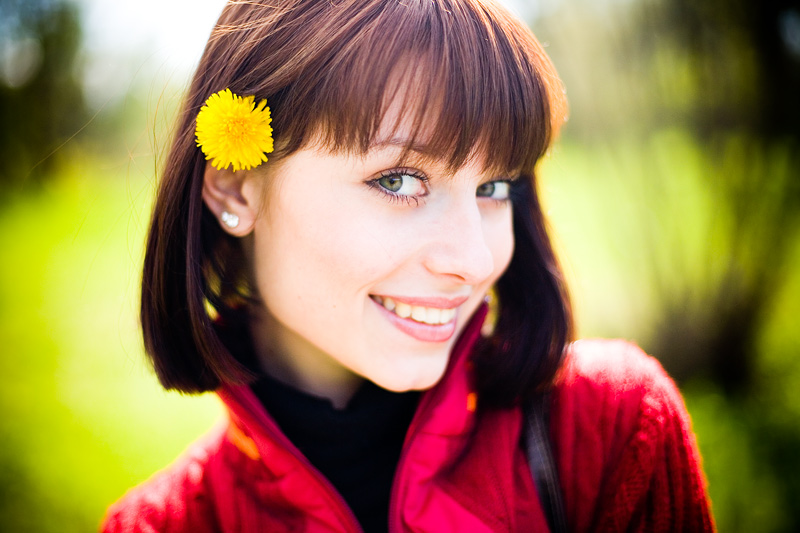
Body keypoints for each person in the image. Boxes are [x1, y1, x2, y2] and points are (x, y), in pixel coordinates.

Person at [102, 0, 714, 531]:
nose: (474, 261)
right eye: (399, 180)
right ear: (237, 188)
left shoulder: (610, 434)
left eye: (495, 187)